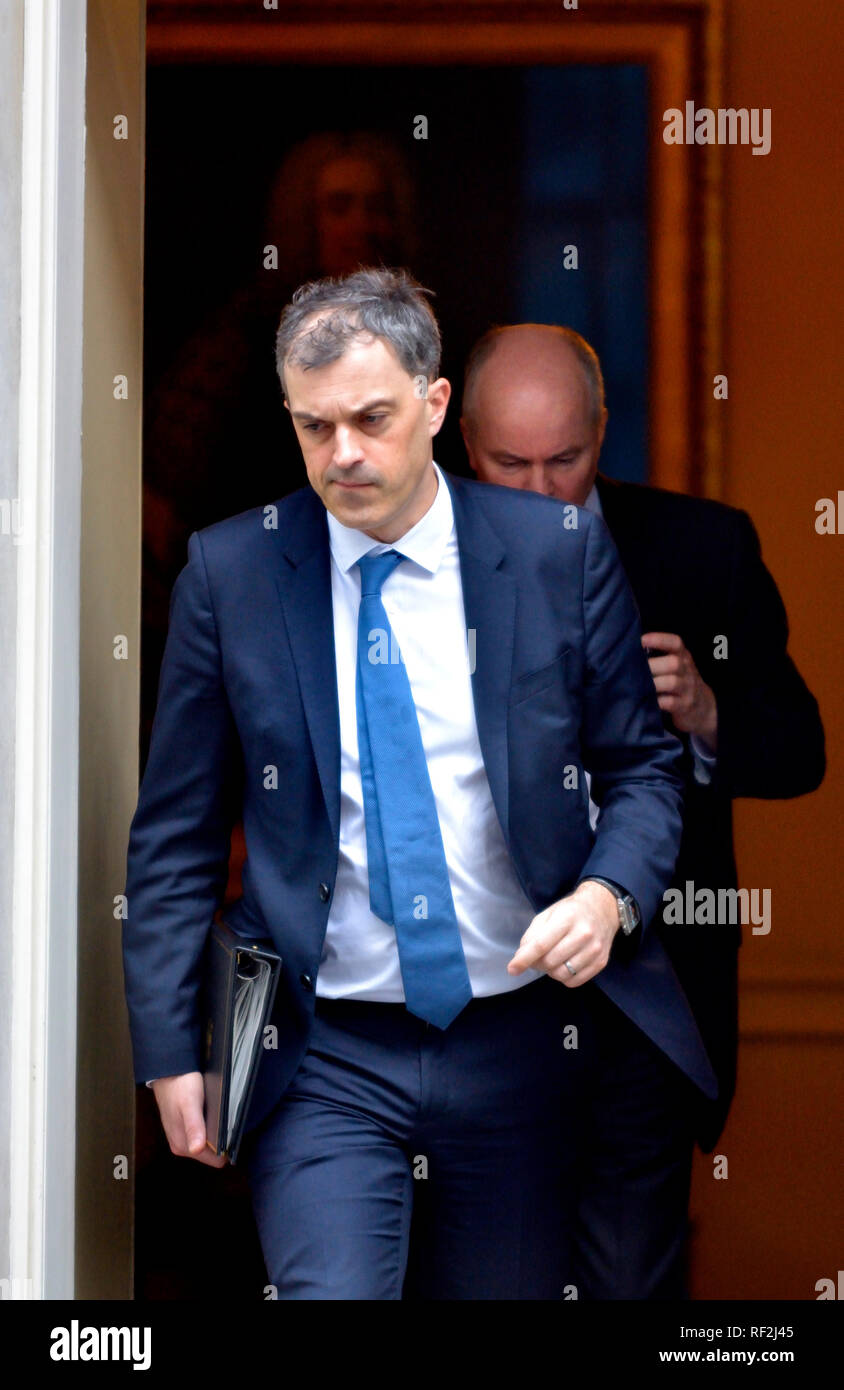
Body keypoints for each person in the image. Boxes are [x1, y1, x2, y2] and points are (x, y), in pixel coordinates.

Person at [122, 269, 704, 1300]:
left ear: (436, 406)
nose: (341, 453)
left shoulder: (553, 554)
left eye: (371, 418)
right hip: (322, 1049)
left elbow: (644, 765)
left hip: (518, 1041)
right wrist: (172, 1055)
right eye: (314, 426)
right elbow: (175, 834)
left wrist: (606, 894)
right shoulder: (232, 574)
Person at [460, 322, 826, 1298]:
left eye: (566, 460)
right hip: (466, 1008)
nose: (541, 491)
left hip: (648, 998)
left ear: (603, 432)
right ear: (461, 442)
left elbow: (801, 749)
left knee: (629, 1283)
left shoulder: (701, 547)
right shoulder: (402, 562)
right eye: (510, 464)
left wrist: (704, 710)